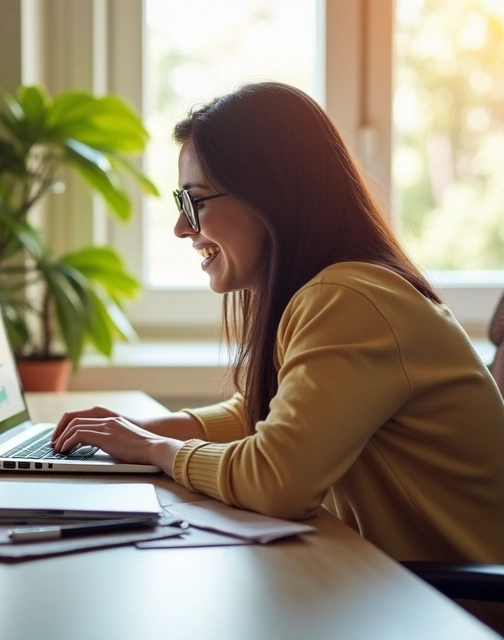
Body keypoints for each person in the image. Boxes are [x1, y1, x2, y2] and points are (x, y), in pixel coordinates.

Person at [51, 83, 504, 567]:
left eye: (195, 201)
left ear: (272, 195)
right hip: (414, 586)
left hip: (466, 605)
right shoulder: (339, 291)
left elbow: (275, 481)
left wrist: (156, 449)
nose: (182, 228)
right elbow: (269, 415)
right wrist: (140, 432)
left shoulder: (350, 300)